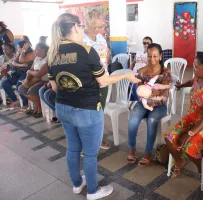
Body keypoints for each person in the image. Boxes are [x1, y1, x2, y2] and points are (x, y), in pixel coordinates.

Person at [47, 13, 140, 200]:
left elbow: (55, 87)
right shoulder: (86, 51)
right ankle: (93, 191)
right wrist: (126, 75)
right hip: (87, 109)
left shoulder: (52, 52)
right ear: (75, 27)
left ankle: (76, 184)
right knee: (90, 153)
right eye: (81, 27)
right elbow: (104, 81)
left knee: (73, 148)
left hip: (63, 107)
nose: (83, 31)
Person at [165, 48, 203, 177]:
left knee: (189, 147)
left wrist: (190, 132)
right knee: (169, 138)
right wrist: (180, 86)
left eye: (196, 67)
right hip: (193, 117)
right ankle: (179, 162)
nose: (193, 69)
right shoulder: (198, 78)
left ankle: (201, 170)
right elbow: (191, 82)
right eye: (193, 65)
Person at [127, 43, 172, 167]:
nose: (152, 59)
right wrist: (146, 93)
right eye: (150, 56)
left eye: (155, 56)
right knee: (133, 121)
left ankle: (148, 153)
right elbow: (139, 90)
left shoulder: (165, 72)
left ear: (161, 56)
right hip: (143, 103)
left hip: (159, 105)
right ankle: (132, 148)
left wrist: (150, 92)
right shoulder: (141, 71)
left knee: (152, 121)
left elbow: (164, 92)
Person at [83, 8, 111, 150]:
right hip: (88, 84)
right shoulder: (81, 39)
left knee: (99, 114)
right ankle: (87, 144)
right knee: (88, 115)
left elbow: (106, 54)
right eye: (96, 26)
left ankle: (98, 140)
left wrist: (105, 58)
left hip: (103, 81)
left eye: (101, 26)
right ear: (87, 23)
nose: (99, 30)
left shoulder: (100, 38)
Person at [2, 40, 35, 111]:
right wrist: (21, 64)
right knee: (5, 83)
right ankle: (15, 100)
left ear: (24, 48)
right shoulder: (19, 53)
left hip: (26, 75)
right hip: (17, 74)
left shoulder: (31, 54)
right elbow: (14, 62)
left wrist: (22, 53)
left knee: (19, 85)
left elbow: (22, 61)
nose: (17, 49)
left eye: (18, 47)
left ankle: (25, 104)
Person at [18, 43, 49, 118]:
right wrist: (27, 79)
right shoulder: (37, 58)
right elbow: (31, 69)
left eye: (37, 49)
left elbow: (39, 74)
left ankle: (40, 109)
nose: (35, 51)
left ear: (43, 50)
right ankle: (37, 106)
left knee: (32, 90)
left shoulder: (48, 59)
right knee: (21, 88)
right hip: (34, 79)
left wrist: (30, 72)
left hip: (44, 81)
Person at [130, 36, 153, 101]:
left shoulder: (152, 55)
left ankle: (139, 101)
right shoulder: (138, 53)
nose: (146, 45)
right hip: (135, 73)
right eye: (144, 43)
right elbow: (133, 63)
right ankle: (134, 100)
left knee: (136, 83)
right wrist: (130, 71)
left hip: (144, 75)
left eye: (148, 43)